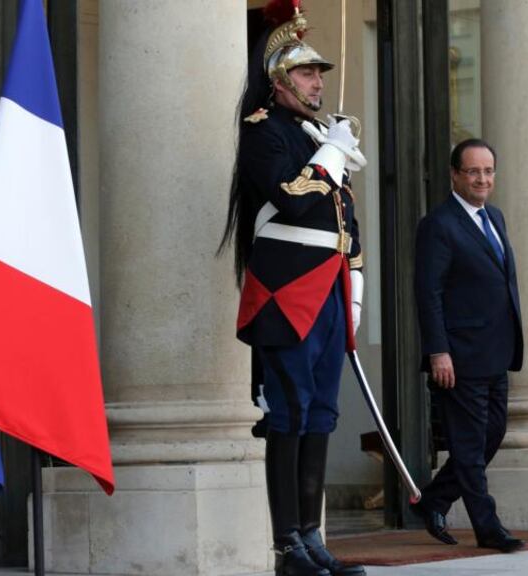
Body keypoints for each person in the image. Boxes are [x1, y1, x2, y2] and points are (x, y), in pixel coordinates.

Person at [219, 2, 366, 575]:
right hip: (285, 294)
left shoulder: (316, 136)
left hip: (326, 292)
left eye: (321, 74)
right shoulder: (266, 133)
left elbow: (343, 224)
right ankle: (288, 547)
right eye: (307, 73)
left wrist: (354, 281)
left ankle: (312, 537)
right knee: (290, 412)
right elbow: (294, 198)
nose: (317, 82)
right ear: (280, 80)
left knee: (323, 412)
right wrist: (331, 152)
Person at [412, 139, 525, 553]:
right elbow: (429, 293)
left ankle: (435, 500)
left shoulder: (494, 217)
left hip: (495, 349)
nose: (483, 179)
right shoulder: (438, 224)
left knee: (491, 435)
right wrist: (437, 350)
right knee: (469, 445)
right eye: (474, 171)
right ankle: (488, 527)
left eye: (489, 171)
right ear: (455, 175)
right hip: (458, 356)